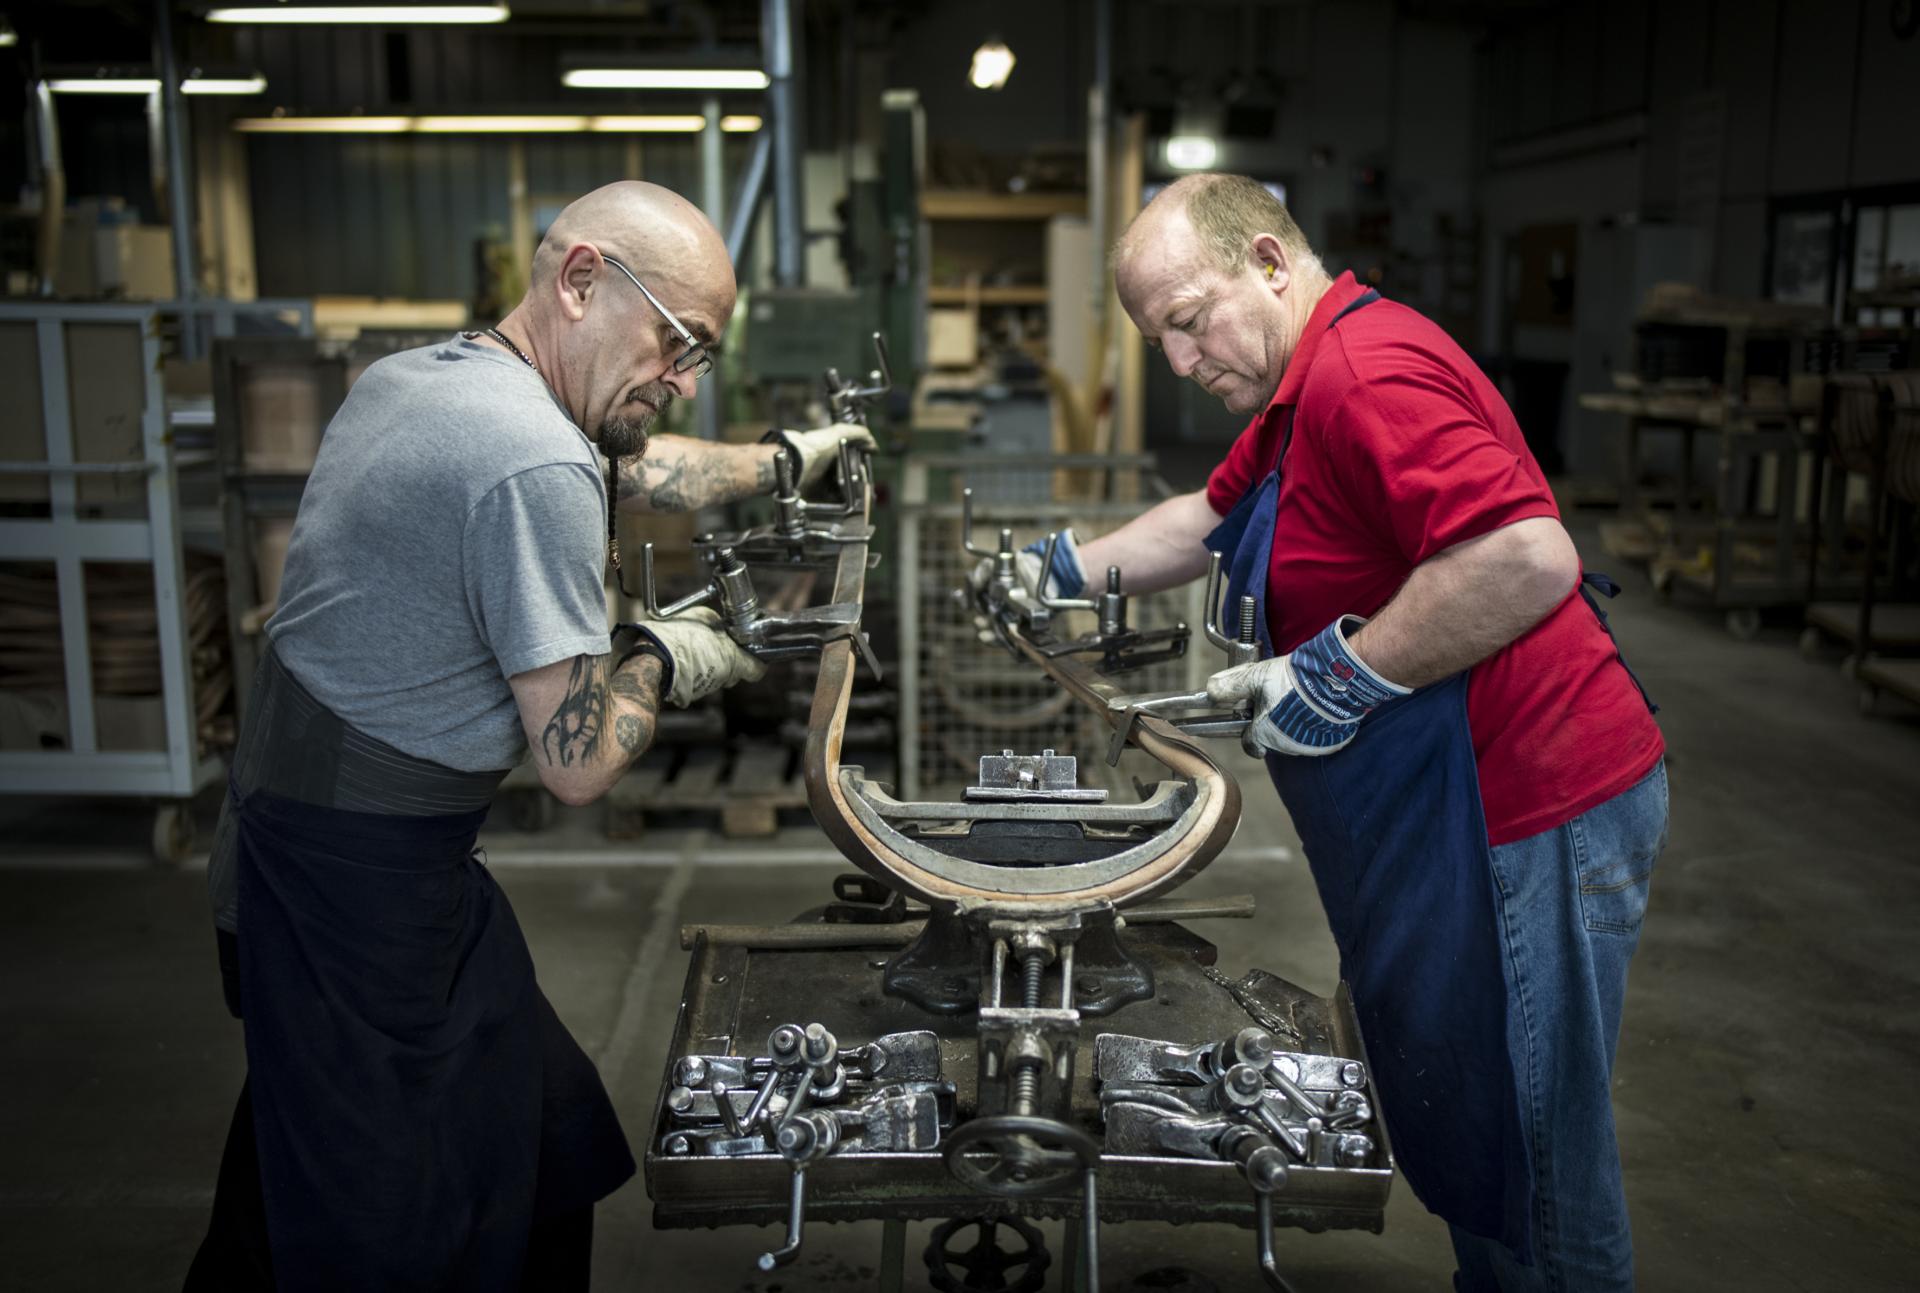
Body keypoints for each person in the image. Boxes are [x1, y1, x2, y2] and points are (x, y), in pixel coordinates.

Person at [185, 180, 869, 1291]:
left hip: (289, 835)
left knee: (529, 1134)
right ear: (584, 279)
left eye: (703, 356)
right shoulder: (530, 459)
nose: (685, 378)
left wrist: (784, 461)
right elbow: (579, 762)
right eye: (677, 343)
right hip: (363, 893)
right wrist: (670, 653)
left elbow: (636, 463)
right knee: (377, 1227)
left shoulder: (424, 379)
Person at [1001, 174, 1667, 1290]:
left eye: (1186, 321)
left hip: (1528, 798)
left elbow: (1526, 556)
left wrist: (1340, 673)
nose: (1177, 360)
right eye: (1155, 337)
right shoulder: (1295, 394)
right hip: (1457, 805)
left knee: (1537, 1147)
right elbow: (1203, 523)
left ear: (1268, 262)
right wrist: (1061, 565)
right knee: (1479, 1108)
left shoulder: (1366, 375)